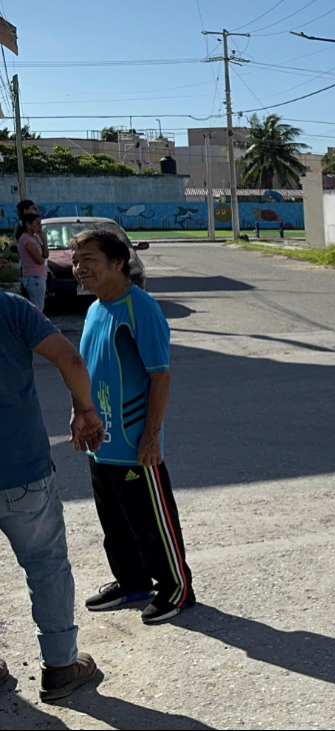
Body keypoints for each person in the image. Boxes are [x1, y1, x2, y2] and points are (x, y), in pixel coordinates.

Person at [71, 228, 195, 625]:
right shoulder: (94, 310)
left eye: (88, 260)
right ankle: (131, 582)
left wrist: (151, 436)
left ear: (117, 262)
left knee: (152, 522)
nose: (78, 269)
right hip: (99, 441)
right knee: (115, 523)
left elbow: (161, 377)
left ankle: (177, 589)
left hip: (132, 441)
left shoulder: (139, 309)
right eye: (75, 261)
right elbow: (89, 370)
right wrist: (79, 412)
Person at [0, 291, 102, 702]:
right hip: (22, 469)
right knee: (46, 566)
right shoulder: (11, 308)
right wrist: (84, 409)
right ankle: (61, 668)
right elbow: (71, 359)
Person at [18, 212, 49, 311]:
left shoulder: (34, 238)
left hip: (39, 275)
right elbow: (40, 260)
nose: (39, 226)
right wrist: (42, 259)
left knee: (38, 305)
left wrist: (43, 238)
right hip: (34, 277)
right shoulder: (27, 239)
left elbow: (46, 255)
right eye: (37, 224)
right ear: (28, 225)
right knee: (38, 307)